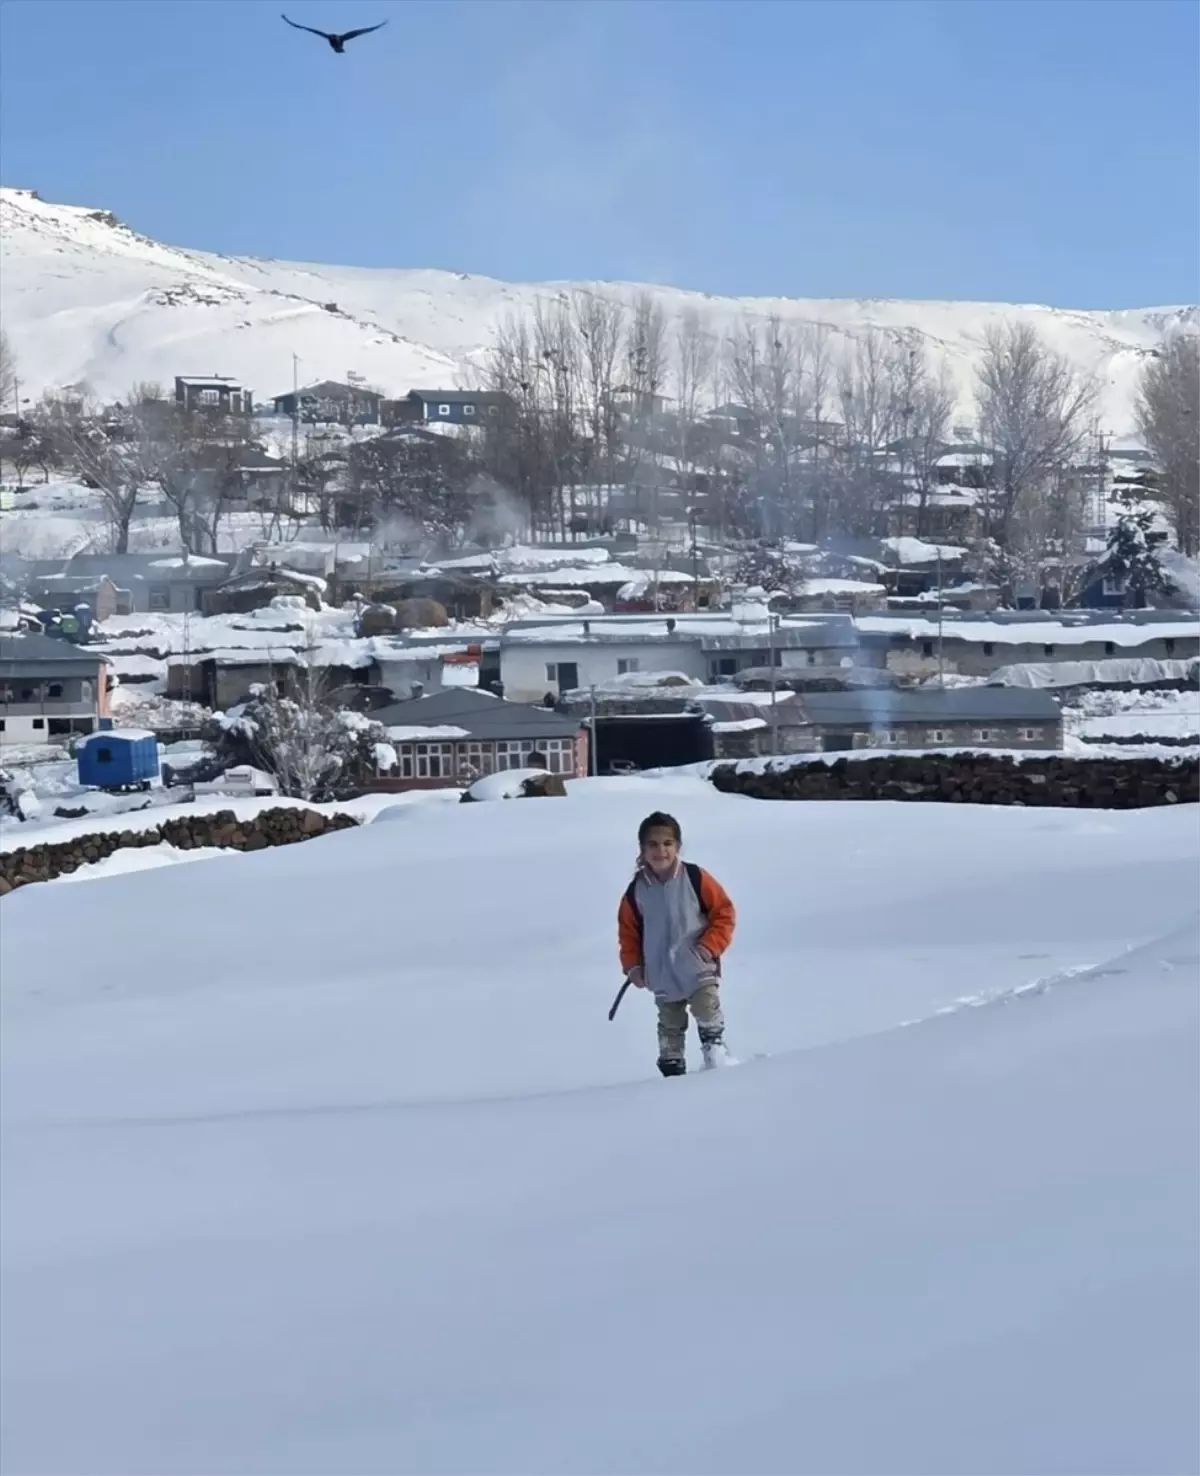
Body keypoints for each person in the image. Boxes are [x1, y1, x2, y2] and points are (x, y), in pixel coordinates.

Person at [618, 811, 737, 1076]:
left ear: (678, 846)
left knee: (707, 1008)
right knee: (669, 1025)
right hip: (660, 973)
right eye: (653, 844)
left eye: (667, 843)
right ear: (642, 849)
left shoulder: (695, 877)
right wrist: (634, 966)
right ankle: (672, 1070)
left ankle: (715, 1053)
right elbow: (628, 934)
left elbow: (724, 912)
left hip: (697, 966)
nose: (661, 850)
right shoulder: (635, 891)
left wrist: (708, 947)